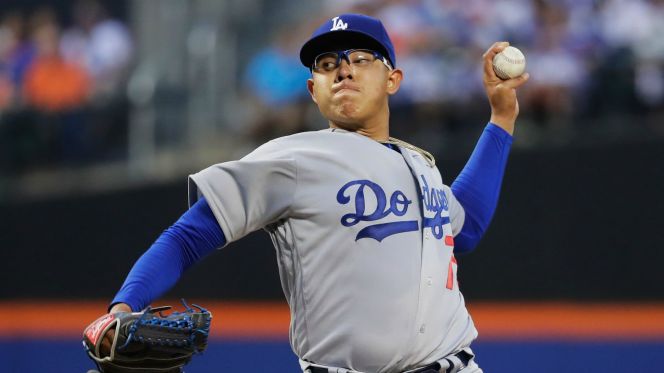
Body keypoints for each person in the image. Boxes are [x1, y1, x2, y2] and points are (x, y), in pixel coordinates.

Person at [96, 13, 529, 373]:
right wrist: (123, 307)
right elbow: (188, 236)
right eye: (326, 64)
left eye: (361, 58)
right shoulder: (294, 157)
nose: (343, 69)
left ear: (392, 79)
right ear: (312, 90)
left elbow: (466, 227)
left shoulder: (421, 163)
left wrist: (501, 117)